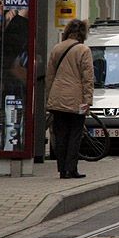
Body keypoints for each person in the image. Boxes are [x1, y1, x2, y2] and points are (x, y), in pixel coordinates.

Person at [46, 19, 94, 179]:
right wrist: (88, 101)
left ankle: (61, 170)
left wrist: (49, 98)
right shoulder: (83, 50)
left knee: (60, 135)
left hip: (57, 98)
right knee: (75, 134)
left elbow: (50, 76)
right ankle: (71, 168)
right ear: (82, 33)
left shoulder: (56, 48)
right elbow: (88, 78)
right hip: (76, 100)